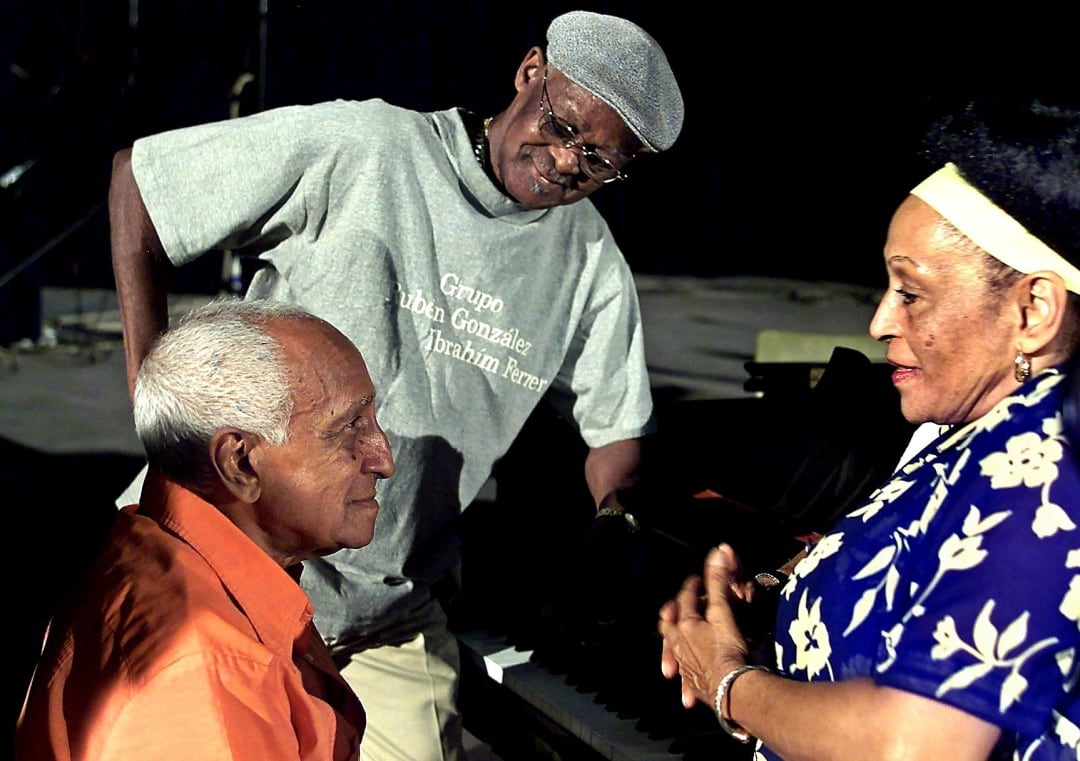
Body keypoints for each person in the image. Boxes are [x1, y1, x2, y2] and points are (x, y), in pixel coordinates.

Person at [106, 9, 683, 760]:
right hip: (215, 567)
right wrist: (157, 402)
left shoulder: (589, 264)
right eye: (562, 125)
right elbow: (142, 184)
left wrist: (617, 522)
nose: (569, 162)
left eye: (603, 160)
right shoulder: (370, 147)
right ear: (530, 70)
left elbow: (617, 435)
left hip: (384, 614)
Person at [657, 96, 1080, 760]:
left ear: (1033, 309)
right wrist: (779, 589)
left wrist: (730, 681)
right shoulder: (964, 432)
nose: (882, 321)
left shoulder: (1048, 468)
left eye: (910, 292)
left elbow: (917, 743)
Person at [15, 298, 395, 760]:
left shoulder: (152, 544)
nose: (382, 459)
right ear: (238, 464)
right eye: (348, 429)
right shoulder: (209, 678)